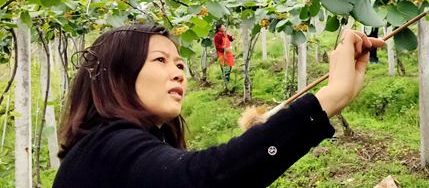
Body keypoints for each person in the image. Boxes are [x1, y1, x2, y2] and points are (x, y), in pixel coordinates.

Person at [53, 24, 385, 188]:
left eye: (181, 65)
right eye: (161, 60)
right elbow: (206, 179)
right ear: (117, 74)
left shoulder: (111, 149)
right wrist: (332, 95)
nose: (179, 73)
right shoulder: (107, 146)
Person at [213, 23, 235, 90]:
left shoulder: (224, 34)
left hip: (228, 54)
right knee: (225, 70)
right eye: (223, 26)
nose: (224, 27)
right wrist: (224, 49)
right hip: (223, 55)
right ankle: (226, 85)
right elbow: (217, 46)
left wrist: (232, 38)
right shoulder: (217, 36)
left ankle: (227, 84)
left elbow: (229, 38)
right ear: (219, 28)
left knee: (229, 69)